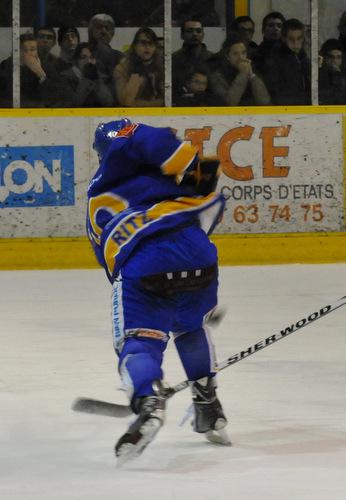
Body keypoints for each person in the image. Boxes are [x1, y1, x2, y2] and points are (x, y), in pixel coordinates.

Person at [87, 119, 228, 465]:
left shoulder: (97, 196)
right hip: (198, 254)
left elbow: (110, 259)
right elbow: (209, 211)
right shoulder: (167, 184)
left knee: (140, 342)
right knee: (191, 327)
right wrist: (195, 170)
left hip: (145, 263)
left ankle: (149, 401)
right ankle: (208, 406)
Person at [209, 34, 271, 106]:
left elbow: (265, 102)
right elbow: (230, 103)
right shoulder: (217, 76)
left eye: (243, 53)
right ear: (227, 56)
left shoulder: (254, 71)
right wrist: (243, 74)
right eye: (235, 54)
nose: (241, 58)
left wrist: (252, 76)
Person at [113, 27, 165, 107]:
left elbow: (168, 100)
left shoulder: (162, 67)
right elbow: (126, 101)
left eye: (151, 43)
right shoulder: (122, 68)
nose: (147, 47)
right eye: (143, 43)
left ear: (155, 47)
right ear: (135, 46)